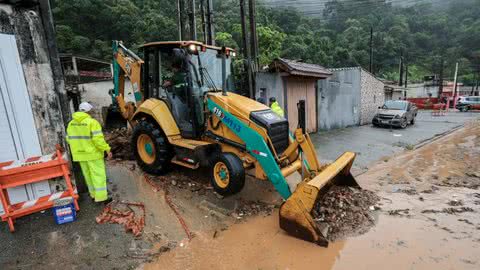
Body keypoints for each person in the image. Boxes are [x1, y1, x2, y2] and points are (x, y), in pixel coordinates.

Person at [66, 102, 112, 204]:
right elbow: (98, 140)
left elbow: (69, 139)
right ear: (89, 111)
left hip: (80, 155)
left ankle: (93, 195)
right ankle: (101, 198)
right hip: (93, 154)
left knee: (88, 176)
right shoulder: (92, 122)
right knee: (98, 175)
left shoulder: (71, 124)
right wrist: (107, 149)